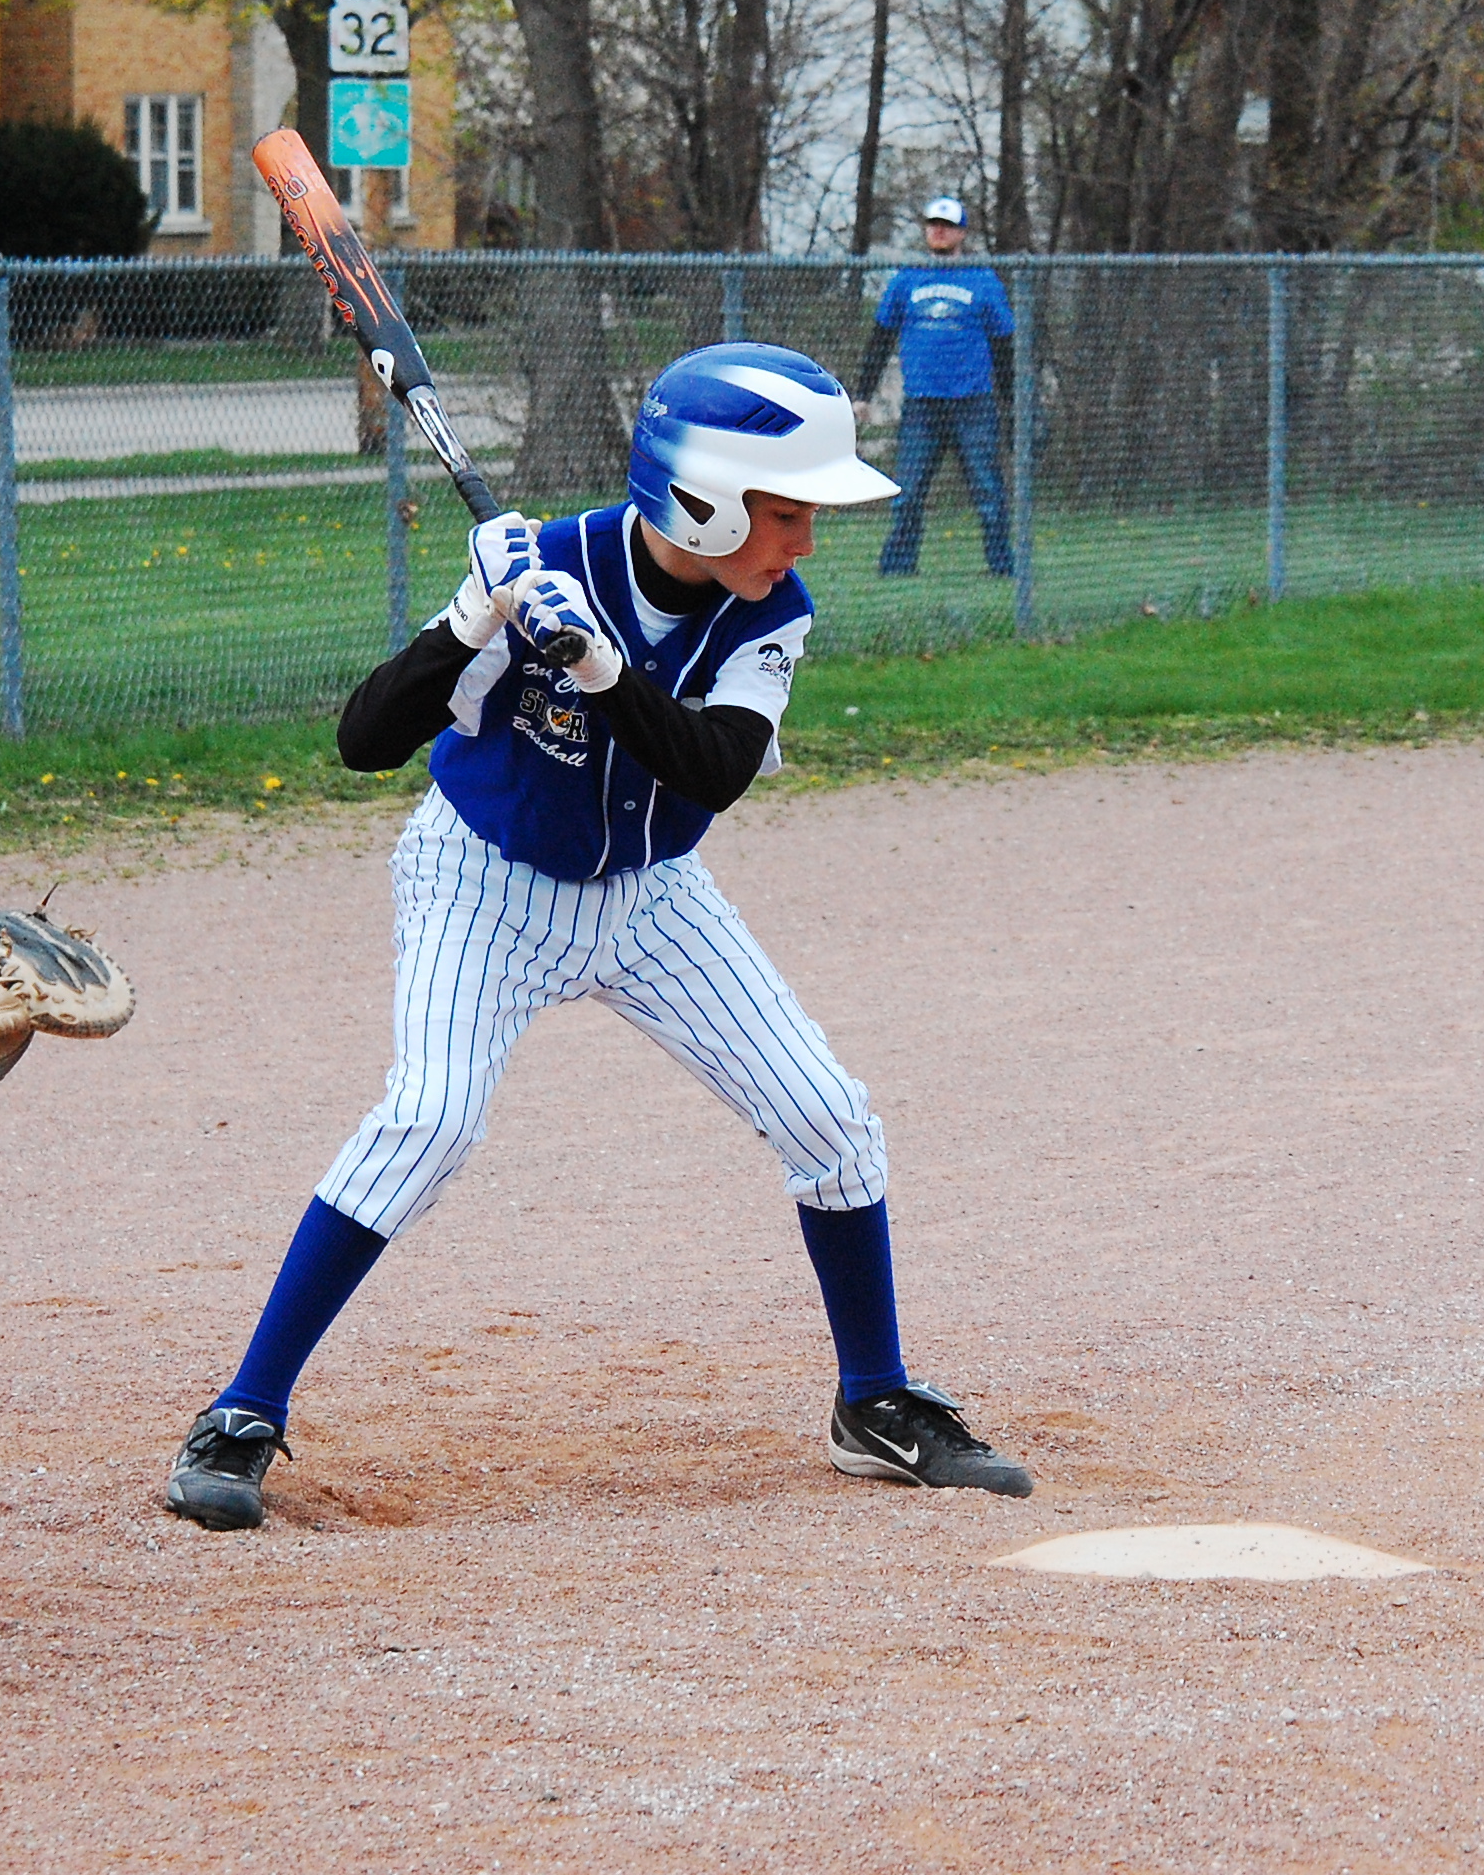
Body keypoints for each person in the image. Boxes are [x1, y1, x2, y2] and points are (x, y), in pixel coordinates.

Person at [161, 341, 1034, 1531]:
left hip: (651, 897)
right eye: (786, 514)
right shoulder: (543, 567)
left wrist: (601, 665)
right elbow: (362, 741)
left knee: (830, 1117)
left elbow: (712, 768)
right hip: (484, 883)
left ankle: (873, 1401)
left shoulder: (770, 613)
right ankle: (241, 1411)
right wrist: (470, 619)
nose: (802, 544)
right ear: (704, 499)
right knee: (428, 1119)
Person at [854, 196, 1016, 578]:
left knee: (988, 493)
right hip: (922, 405)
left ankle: (1003, 567)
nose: (939, 231)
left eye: (947, 225)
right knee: (907, 494)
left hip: (972, 404)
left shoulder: (982, 280)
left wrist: (1012, 400)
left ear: (962, 233)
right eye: (933, 224)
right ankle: (898, 568)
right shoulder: (907, 279)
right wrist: (863, 394)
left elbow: (1004, 344)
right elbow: (881, 338)